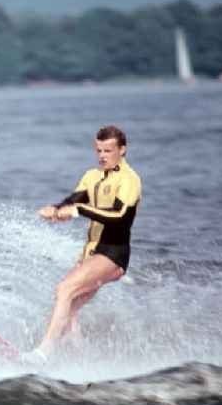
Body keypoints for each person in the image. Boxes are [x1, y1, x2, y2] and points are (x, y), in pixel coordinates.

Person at [29, 125, 142, 363]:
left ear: (122, 150)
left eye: (108, 150)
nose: (102, 156)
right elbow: (75, 199)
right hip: (92, 254)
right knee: (69, 306)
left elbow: (120, 217)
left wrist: (78, 211)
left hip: (113, 254)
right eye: (99, 150)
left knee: (64, 290)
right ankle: (83, 364)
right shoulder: (92, 176)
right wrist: (57, 210)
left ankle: (42, 354)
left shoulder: (129, 180)